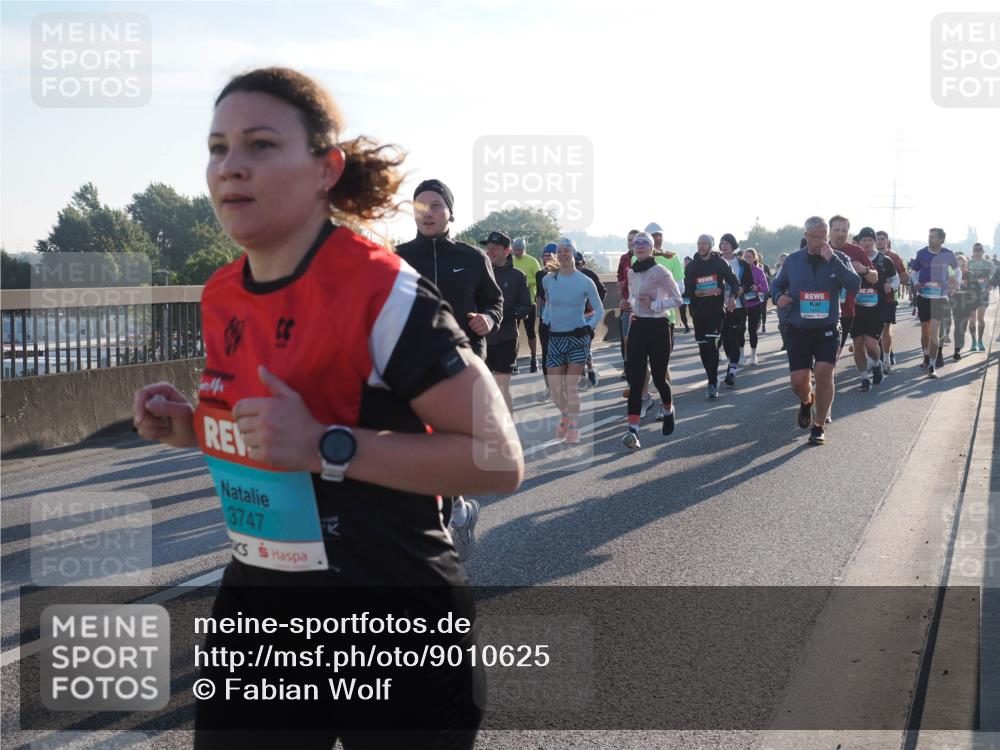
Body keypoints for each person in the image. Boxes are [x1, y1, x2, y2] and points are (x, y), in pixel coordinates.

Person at [134, 67, 523, 749]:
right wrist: (193, 428)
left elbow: (498, 461)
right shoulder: (222, 292)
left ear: (325, 169)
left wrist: (327, 445)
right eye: (218, 147)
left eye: (259, 144)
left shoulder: (380, 287)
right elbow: (271, 437)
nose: (231, 167)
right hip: (259, 606)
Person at [396, 179, 504, 561]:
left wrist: (489, 320)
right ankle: (456, 511)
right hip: (412, 367)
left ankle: (439, 541)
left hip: (463, 365)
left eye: (436, 205)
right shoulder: (396, 258)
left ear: (449, 212)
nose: (427, 211)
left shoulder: (473, 257)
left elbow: (494, 301)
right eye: (420, 204)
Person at [771, 216, 860, 445]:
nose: (821, 241)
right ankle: (806, 401)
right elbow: (776, 284)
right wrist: (779, 297)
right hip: (798, 328)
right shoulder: (792, 261)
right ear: (806, 237)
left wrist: (833, 261)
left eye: (824, 237)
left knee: (824, 373)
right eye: (816, 237)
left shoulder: (839, 258)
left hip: (828, 327)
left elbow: (854, 284)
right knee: (798, 382)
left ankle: (819, 425)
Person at [619, 231, 683, 449]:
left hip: (658, 326)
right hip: (637, 326)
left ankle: (668, 409)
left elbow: (677, 299)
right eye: (636, 244)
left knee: (658, 377)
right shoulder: (631, 272)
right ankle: (633, 432)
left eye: (644, 244)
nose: (640, 247)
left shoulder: (661, 271)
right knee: (636, 381)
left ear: (651, 247)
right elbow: (633, 297)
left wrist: (653, 305)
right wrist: (628, 304)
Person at [541, 238, 604, 443]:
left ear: (574, 254)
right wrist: (545, 319)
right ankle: (566, 415)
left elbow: (599, 309)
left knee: (570, 386)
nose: (563, 254)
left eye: (567, 250)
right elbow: (549, 305)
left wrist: (588, 328)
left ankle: (574, 427)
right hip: (556, 338)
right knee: (555, 389)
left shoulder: (585, 281)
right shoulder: (548, 280)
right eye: (560, 251)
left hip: (577, 338)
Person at [682, 234, 740, 398]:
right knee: (703, 348)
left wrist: (732, 298)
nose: (701, 246)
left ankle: (712, 382)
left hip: (716, 312)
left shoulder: (720, 263)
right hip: (698, 313)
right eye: (699, 243)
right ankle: (711, 377)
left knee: (711, 345)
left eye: (704, 244)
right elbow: (686, 291)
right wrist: (702, 292)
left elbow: (734, 282)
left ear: (711, 246)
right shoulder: (692, 266)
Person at [482, 231, 531, 411]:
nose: (490, 252)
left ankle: (508, 434)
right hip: (483, 341)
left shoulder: (517, 276)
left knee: (502, 389)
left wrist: (503, 315)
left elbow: (526, 306)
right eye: (488, 248)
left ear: (507, 251)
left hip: (507, 339)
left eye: (494, 248)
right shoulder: (480, 273)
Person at [851, 227, 898, 391]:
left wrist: (890, 287)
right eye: (863, 240)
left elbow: (896, 279)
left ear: (874, 242)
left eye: (869, 240)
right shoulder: (852, 259)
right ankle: (864, 378)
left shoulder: (884, 260)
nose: (866, 243)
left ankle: (877, 364)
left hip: (877, 307)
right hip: (856, 308)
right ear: (859, 242)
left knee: (871, 344)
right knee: (858, 344)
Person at [908, 227, 959, 378]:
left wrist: (954, 284)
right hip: (924, 295)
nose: (930, 239)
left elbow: (957, 271)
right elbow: (914, 272)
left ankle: (932, 365)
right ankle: (925, 355)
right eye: (929, 237)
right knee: (925, 332)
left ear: (942, 240)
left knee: (935, 331)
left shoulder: (948, 253)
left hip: (941, 297)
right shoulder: (921, 253)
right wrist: (916, 282)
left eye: (934, 237)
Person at [828, 215, 879, 361]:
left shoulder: (856, 251)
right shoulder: (820, 249)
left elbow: (875, 278)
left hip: (845, 311)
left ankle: (876, 364)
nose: (840, 233)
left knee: (833, 356)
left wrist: (865, 270)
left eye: (844, 230)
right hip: (820, 309)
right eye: (837, 229)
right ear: (829, 231)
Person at [718, 233, 755, 386]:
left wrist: (740, 291)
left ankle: (732, 371)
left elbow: (749, 284)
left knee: (733, 339)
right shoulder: (716, 262)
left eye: (727, 243)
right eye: (722, 243)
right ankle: (731, 362)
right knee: (725, 341)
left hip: (738, 307)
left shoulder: (742, 264)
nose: (724, 245)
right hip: (719, 308)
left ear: (733, 245)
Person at [875, 230, 908, 372]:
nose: (879, 241)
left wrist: (892, 283)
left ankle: (886, 358)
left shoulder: (894, 257)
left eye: (882, 239)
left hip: (889, 298)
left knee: (885, 328)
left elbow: (904, 277)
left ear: (887, 241)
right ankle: (878, 356)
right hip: (871, 298)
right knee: (875, 330)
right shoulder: (868, 255)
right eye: (877, 239)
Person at [574, 250, 607, 388]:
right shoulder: (567, 275)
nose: (575, 266)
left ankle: (590, 370)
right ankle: (585, 373)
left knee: (584, 343)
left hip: (589, 316)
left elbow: (603, 290)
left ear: (583, 263)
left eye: (577, 264)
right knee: (578, 345)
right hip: (574, 315)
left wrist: (593, 303)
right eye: (573, 263)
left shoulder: (590, 275)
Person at [511, 237, 542, 372]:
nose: (517, 252)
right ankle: (513, 361)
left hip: (529, 302)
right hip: (513, 302)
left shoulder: (532, 261)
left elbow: (540, 277)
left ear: (524, 249)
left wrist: (526, 281)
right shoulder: (509, 260)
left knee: (530, 332)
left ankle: (534, 358)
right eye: (515, 249)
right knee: (513, 333)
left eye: (520, 250)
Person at [535, 243, 558, 400]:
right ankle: (549, 388)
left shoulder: (563, 274)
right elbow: (540, 296)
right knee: (546, 354)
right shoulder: (539, 275)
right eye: (544, 256)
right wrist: (540, 303)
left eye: (549, 256)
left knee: (560, 354)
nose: (546, 259)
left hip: (562, 320)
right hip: (545, 319)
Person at [616, 229, 641, 375]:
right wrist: (620, 286)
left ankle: (640, 367)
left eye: (633, 240)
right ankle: (627, 368)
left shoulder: (644, 257)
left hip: (642, 306)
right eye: (629, 240)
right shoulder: (624, 258)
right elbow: (619, 276)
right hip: (626, 304)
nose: (631, 243)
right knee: (625, 338)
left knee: (638, 340)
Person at [741, 248, 770, 365]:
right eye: (745, 257)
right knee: (740, 330)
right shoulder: (740, 270)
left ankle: (753, 355)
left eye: (749, 257)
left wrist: (756, 288)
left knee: (752, 330)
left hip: (754, 303)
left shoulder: (758, 271)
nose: (747, 259)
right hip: (741, 304)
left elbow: (766, 288)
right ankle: (741, 355)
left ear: (754, 258)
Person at [967, 243, 993, 351]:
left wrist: (990, 286)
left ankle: (980, 341)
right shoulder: (969, 263)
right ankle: (973, 342)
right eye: (975, 249)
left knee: (980, 318)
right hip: (971, 294)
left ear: (983, 251)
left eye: (979, 249)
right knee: (972, 319)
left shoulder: (989, 263)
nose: (977, 251)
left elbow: (993, 278)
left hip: (983, 294)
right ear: (973, 251)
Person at [950, 254, 976, 361]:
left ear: (966, 264)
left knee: (962, 327)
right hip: (955, 304)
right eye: (959, 263)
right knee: (958, 326)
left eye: (964, 263)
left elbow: (976, 290)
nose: (962, 265)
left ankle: (959, 347)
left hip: (967, 305)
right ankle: (957, 350)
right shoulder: (951, 275)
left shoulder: (970, 275)